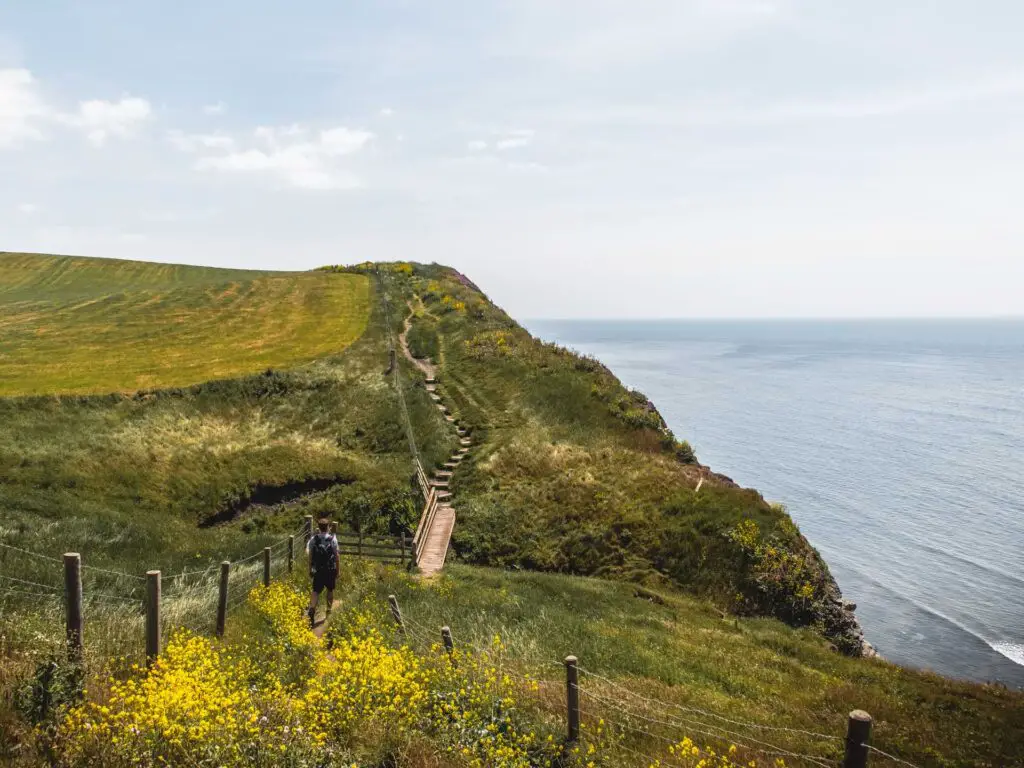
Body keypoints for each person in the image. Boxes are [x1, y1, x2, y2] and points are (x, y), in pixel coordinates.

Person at [306, 518, 339, 627]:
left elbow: (310, 556)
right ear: (328, 527)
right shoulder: (332, 539)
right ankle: (328, 611)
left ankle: (312, 609)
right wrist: (337, 570)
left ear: (319, 527)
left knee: (315, 590)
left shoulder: (313, 539)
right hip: (330, 570)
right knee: (330, 590)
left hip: (318, 570)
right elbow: (337, 556)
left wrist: (310, 569)